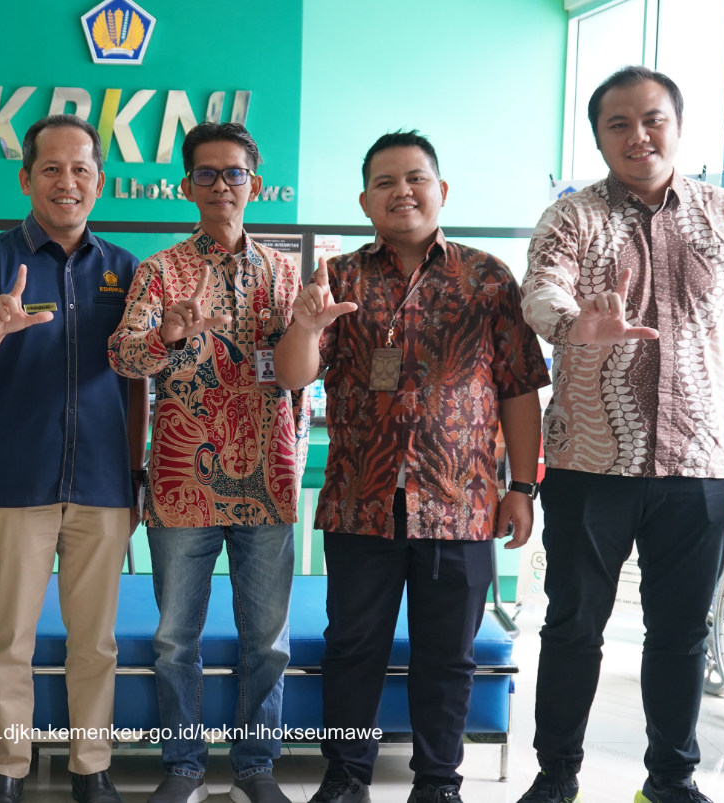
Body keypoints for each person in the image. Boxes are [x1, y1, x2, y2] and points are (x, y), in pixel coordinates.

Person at [517, 67, 724, 803]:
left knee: (681, 633)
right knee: (573, 627)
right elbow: (539, 291)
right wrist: (576, 324)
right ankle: (556, 776)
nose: (638, 136)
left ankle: (670, 779)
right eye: (619, 124)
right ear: (599, 137)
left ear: (676, 124)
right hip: (587, 462)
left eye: (652, 119)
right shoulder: (571, 217)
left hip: (697, 463)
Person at [273, 131, 550, 803]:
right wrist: (305, 327)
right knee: (352, 648)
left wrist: (521, 487)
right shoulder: (337, 278)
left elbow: (518, 388)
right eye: (385, 181)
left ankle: (437, 782)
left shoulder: (488, 278)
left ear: (440, 189)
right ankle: (345, 777)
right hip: (359, 501)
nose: (402, 191)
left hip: (461, 501)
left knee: (448, 655)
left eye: (415, 178)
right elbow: (292, 376)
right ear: (365, 200)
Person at [0, 114, 147, 803]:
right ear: (25, 178)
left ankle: (92, 768)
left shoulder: (125, 269)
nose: (67, 182)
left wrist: (135, 476)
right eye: (51, 169)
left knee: (96, 641)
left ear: (99, 181)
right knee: (9, 638)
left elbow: (137, 384)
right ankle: (6, 769)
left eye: (81, 169)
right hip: (15, 481)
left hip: (102, 483)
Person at [108, 122, 306, 803]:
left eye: (233, 173)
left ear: (255, 182)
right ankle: (184, 765)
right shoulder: (159, 271)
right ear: (186, 185)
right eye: (206, 173)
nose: (221, 185)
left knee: (268, 641)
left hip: (269, 481)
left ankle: (255, 767)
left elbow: (302, 374)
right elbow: (122, 357)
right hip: (181, 482)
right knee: (174, 639)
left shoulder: (285, 272)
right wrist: (165, 335)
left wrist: (310, 330)